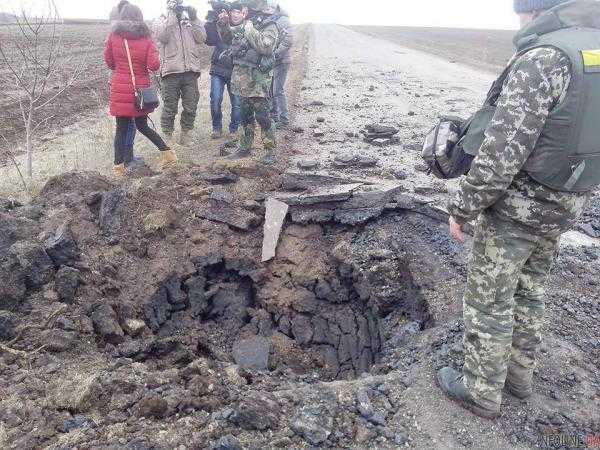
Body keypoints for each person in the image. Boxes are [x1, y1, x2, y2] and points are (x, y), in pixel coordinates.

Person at [437, 0, 600, 419]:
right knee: (530, 289)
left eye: (521, 12)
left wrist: (464, 207)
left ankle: (480, 390)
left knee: (490, 297)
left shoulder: (544, 58)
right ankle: (518, 378)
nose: (519, 21)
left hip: (519, 206)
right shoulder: (592, 49)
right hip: (567, 199)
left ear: (538, 11)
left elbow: (502, 151)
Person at [104, 3, 177, 177]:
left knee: (121, 129)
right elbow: (153, 65)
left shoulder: (114, 36)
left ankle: (118, 168)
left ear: (121, 17)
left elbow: (110, 62)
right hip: (140, 89)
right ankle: (168, 154)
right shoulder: (147, 38)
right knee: (142, 125)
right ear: (140, 17)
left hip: (121, 87)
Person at [217, 0, 280, 164]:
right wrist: (224, 25)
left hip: (258, 80)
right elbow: (228, 37)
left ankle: (270, 151)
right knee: (244, 116)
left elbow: (266, 47)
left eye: (246, 8)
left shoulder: (269, 25)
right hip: (242, 79)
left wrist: (250, 29)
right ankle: (244, 147)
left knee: (263, 116)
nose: (242, 11)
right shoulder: (245, 25)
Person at [154, 0, 206, 146]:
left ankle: (186, 135)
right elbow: (163, 36)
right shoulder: (161, 19)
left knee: (191, 105)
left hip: (190, 70)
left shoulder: (189, 19)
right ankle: (167, 138)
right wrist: (172, 15)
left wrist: (194, 18)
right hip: (171, 71)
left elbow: (201, 38)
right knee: (170, 107)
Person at [205, 4, 241, 139]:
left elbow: (234, 39)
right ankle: (216, 128)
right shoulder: (216, 22)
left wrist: (226, 23)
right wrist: (217, 22)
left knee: (237, 102)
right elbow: (210, 40)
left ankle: (234, 128)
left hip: (235, 69)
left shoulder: (241, 25)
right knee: (215, 99)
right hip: (218, 68)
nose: (234, 15)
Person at [109, 0, 137, 167]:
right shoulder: (128, 33)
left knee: (123, 125)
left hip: (118, 83)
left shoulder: (113, 33)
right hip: (128, 84)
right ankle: (128, 158)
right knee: (129, 124)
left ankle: (122, 161)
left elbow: (110, 61)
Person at [271, 3, 293, 129]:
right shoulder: (275, 19)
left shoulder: (283, 20)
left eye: (271, 8)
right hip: (276, 61)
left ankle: (283, 120)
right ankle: (276, 116)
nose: (268, 10)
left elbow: (288, 41)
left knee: (277, 91)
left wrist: (275, 53)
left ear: (277, 9)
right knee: (273, 90)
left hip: (282, 61)